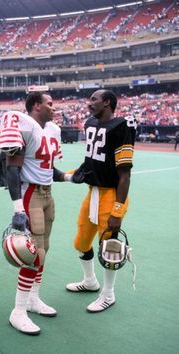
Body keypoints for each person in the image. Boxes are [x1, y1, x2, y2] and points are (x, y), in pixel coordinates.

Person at [0, 92, 70, 335]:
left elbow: (48, 167)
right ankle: (18, 311)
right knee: (34, 253)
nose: (53, 107)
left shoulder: (52, 130)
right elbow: (12, 169)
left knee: (43, 250)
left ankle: (33, 299)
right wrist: (18, 208)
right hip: (31, 195)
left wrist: (68, 176)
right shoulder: (24, 125)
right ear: (36, 106)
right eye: (49, 103)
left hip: (48, 194)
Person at [66, 90, 136, 313]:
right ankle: (90, 281)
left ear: (107, 102)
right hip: (93, 191)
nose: (89, 104)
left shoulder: (122, 126)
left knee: (109, 247)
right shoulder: (90, 123)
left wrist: (117, 210)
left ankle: (108, 294)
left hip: (112, 193)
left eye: (94, 99)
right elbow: (92, 159)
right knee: (81, 241)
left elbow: (124, 174)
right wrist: (73, 173)